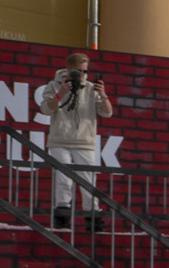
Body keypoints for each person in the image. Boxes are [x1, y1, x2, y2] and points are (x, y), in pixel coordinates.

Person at [36, 51, 113, 228]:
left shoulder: (91, 89)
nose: (82, 75)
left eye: (85, 71)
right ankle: (62, 216)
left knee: (88, 180)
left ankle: (92, 216)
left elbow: (107, 112)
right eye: (78, 71)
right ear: (69, 70)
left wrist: (103, 95)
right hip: (60, 140)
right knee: (63, 179)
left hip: (84, 141)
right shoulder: (55, 85)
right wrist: (61, 92)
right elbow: (46, 110)